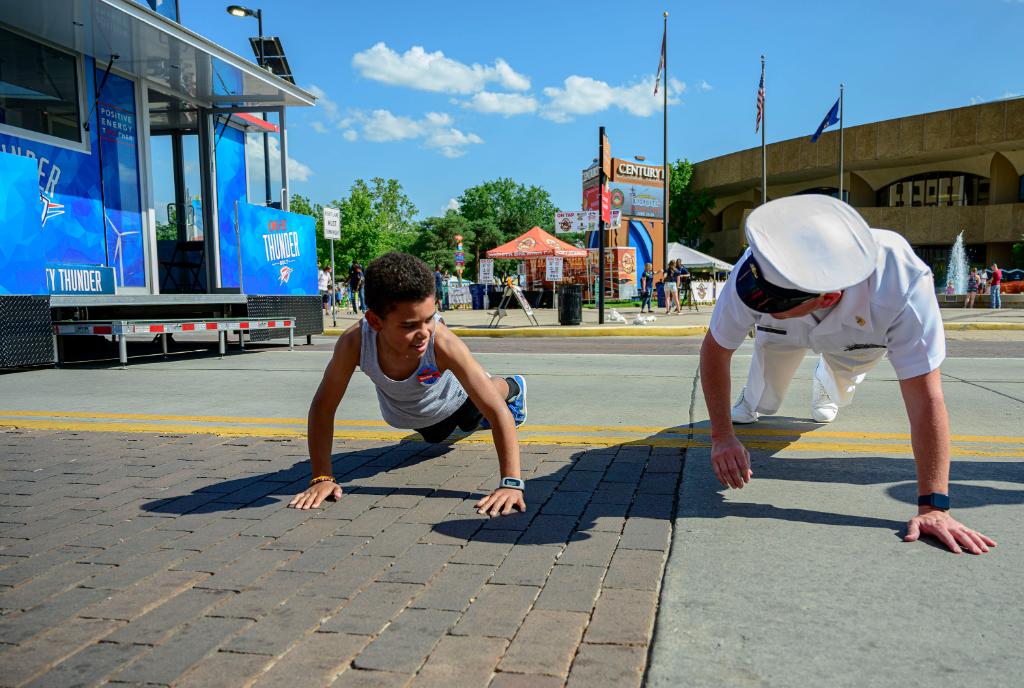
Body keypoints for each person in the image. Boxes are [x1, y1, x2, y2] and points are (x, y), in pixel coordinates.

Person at [700, 195, 995, 554]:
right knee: (764, 399)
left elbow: (926, 396)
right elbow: (716, 348)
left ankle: (828, 381)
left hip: (859, 341)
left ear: (828, 297)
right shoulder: (762, 260)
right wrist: (722, 436)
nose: (755, 303)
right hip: (782, 331)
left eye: (770, 303)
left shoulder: (902, 282)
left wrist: (933, 506)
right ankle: (755, 398)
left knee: (839, 390)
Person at [290, 252, 529, 518]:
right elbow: (323, 407)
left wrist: (511, 483)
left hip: (459, 399)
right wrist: (321, 476)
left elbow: (497, 411)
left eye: (430, 318)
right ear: (375, 321)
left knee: (481, 406)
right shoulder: (354, 343)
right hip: (417, 413)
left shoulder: (442, 342)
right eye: (409, 325)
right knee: (437, 438)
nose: (424, 331)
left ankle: (512, 386)